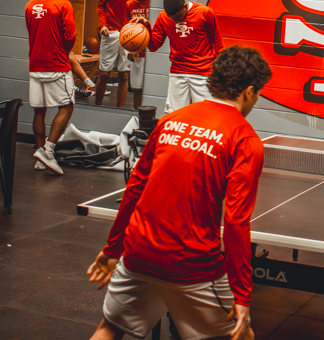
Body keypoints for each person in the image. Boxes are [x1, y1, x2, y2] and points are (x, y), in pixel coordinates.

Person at [86, 46, 272, 340]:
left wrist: (112, 250)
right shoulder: (245, 140)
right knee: (241, 335)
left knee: (109, 329)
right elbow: (236, 221)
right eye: (258, 92)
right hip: (192, 262)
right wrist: (241, 293)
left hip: (138, 252)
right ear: (249, 91)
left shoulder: (170, 121)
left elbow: (134, 188)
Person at [24, 0, 76, 175]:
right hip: (57, 65)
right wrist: (63, 52)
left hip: (35, 65)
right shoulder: (63, 3)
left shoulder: (29, 5)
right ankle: (48, 151)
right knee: (67, 106)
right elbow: (70, 36)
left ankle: (39, 156)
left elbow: (33, 33)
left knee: (39, 111)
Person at [137, 0, 224, 114]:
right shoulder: (163, 17)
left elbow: (218, 44)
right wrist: (146, 28)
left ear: (185, 6)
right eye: (173, 18)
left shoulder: (204, 12)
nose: (176, 20)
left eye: (179, 16)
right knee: (175, 115)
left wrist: (222, 74)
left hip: (203, 72)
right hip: (177, 72)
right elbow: (153, 46)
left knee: (205, 114)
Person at [96, 0, 143, 108]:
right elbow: (101, 5)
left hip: (130, 33)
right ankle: (97, 105)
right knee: (104, 73)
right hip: (111, 31)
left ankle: (120, 109)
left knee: (124, 76)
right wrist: (102, 25)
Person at [125, 0, 151, 109]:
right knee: (137, 88)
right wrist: (129, 48)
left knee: (153, 87)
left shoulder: (154, 2)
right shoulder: (130, 4)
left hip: (153, 50)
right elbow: (127, 28)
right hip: (137, 51)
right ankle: (137, 115)